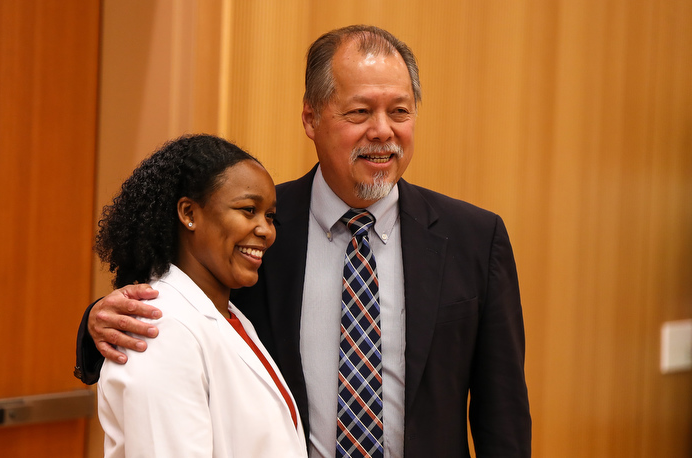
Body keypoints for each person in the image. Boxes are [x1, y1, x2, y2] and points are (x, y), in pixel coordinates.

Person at [77, 25, 531, 457]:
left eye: (400, 110)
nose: (383, 131)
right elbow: (171, 316)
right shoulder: (254, 233)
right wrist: (95, 321)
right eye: (359, 111)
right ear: (311, 118)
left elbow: (502, 416)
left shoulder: (474, 237)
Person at [91, 134, 307, 457]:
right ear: (189, 213)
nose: (266, 231)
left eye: (270, 216)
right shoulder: (159, 329)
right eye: (249, 210)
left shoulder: (230, 316)